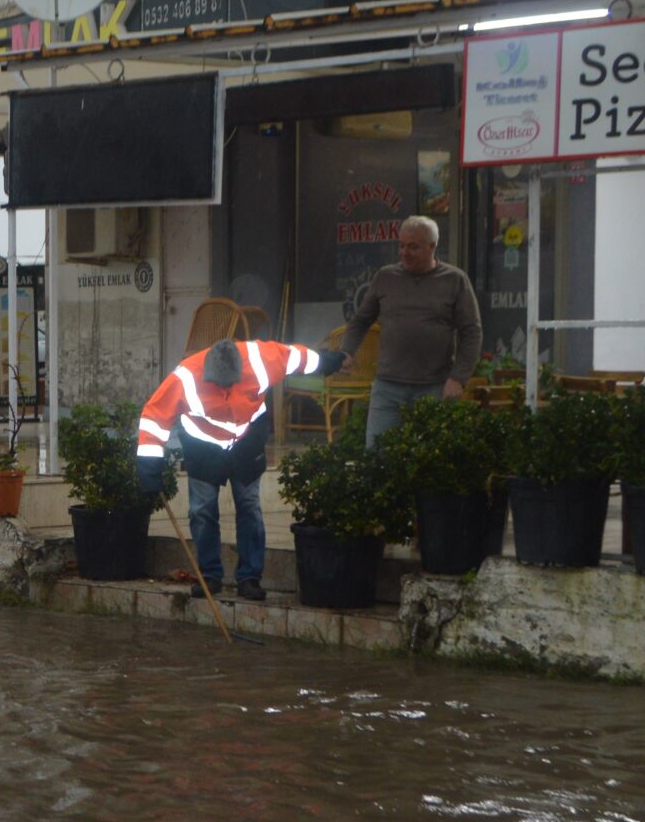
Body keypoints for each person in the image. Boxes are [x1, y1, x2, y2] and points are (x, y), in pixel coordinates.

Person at [134, 335, 346, 602]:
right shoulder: (187, 376)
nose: (224, 389)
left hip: (247, 440)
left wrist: (326, 361)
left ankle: (250, 578)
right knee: (202, 510)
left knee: (249, 507)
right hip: (203, 444)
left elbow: (295, 357)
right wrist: (150, 466)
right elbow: (154, 416)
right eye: (218, 385)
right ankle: (210, 575)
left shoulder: (260, 359)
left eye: (230, 384)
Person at [346, 216, 483, 445]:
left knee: (431, 458)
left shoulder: (454, 280)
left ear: (432, 247)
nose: (404, 252)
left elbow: (472, 332)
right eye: (401, 246)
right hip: (388, 386)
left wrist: (458, 378)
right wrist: (347, 351)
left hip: (434, 387)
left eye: (413, 247)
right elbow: (361, 320)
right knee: (378, 457)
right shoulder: (386, 277)